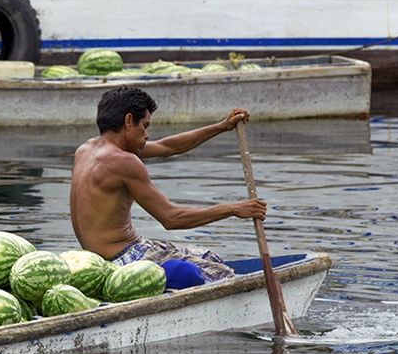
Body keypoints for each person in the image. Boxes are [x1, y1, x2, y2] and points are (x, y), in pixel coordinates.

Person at [69, 85, 267, 282]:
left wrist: (222, 126)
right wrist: (234, 209)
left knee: (209, 257)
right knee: (221, 275)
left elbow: (167, 147)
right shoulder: (124, 161)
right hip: (122, 259)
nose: (147, 136)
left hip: (94, 259)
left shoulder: (86, 150)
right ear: (129, 121)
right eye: (145, 126)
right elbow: (172, 218)